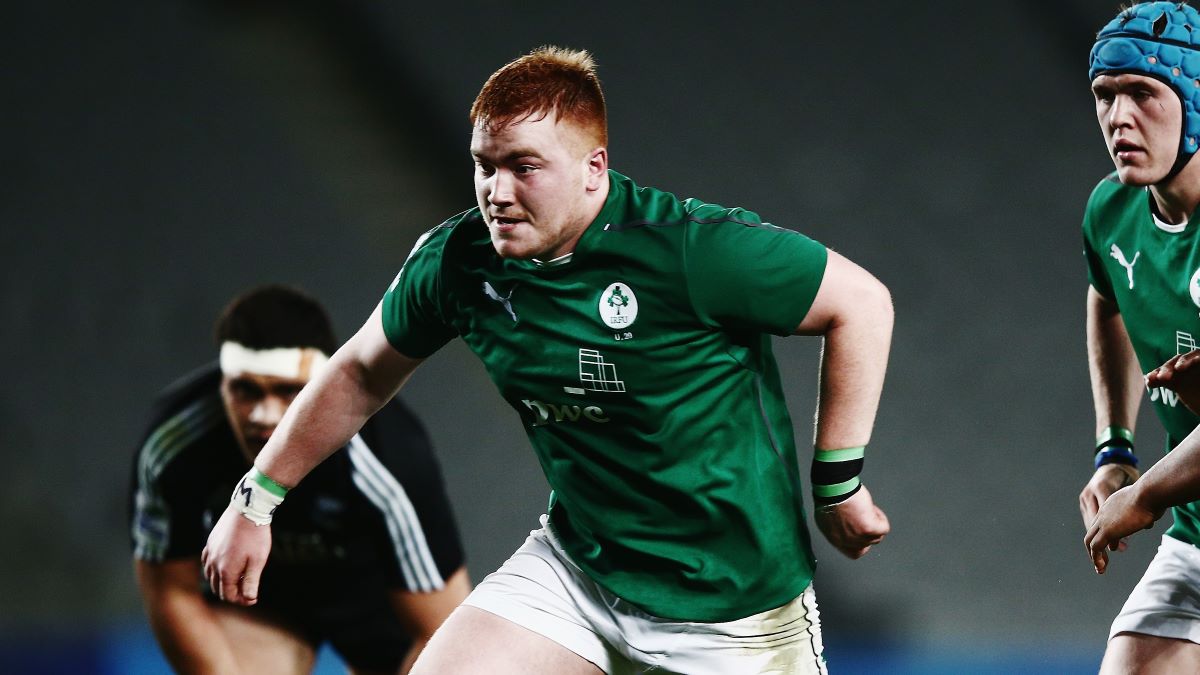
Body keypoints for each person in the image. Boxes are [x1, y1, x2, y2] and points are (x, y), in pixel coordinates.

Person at [203, 47, 893, 675]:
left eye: (524, 166)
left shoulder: (690, 250)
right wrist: (257, 499)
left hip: (735, 616)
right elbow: (359, 371)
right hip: (578, 576)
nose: (496, 192)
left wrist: (837, 483)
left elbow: (861, 303)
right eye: (485, 165)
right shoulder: (456, 261)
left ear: (594, 169)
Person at [130, 285, 470, 674]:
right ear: (221, 382)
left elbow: (442, 633)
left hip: (379, 602)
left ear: (325, 386)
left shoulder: (388, 457)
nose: (262, 414)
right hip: (262, 604)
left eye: (287, 391)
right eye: (244, 389)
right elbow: (171, 592)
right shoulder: (174, 447)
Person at [1076, 2, 1200, 672]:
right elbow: (1107, 300)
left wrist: (1146, 493)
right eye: (1105, 95)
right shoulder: (1113, 209)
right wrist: (1113, 446)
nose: (1119, 117)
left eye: (1143, 93)